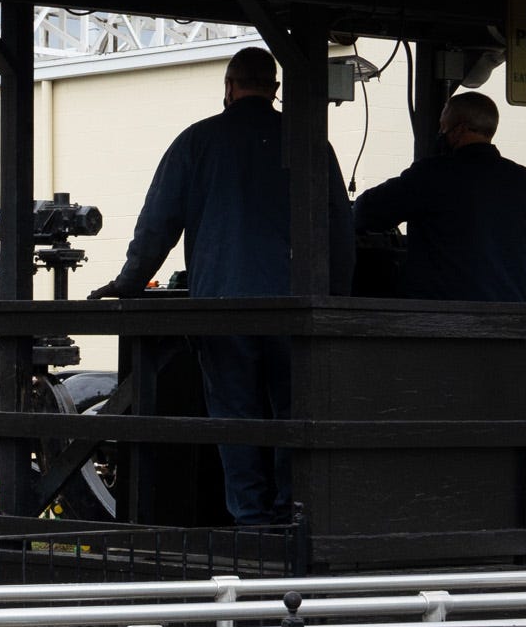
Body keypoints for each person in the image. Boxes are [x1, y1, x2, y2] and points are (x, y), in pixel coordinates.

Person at [87, 45, 352, 526]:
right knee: (295, 410)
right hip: (298, 308)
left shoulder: (196, 142)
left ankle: (249, 516)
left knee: (235, 413)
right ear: (274, 89)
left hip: (222, 306)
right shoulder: (312, 144)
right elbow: (340, 227)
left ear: (228, 87)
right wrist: (336, 298)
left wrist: (126, 283)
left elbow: (157, 226)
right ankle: (293, 512)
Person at [350, 90, 526, 302]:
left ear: (460, 130)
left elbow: (366, 212)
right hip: (508, 323)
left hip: (440, 320)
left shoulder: (432, 175)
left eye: (443, 127)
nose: (440, 133)